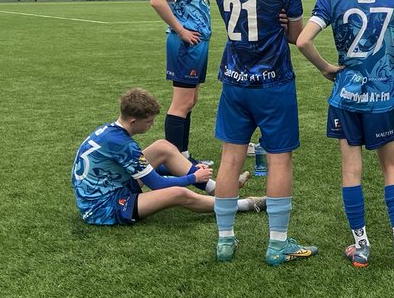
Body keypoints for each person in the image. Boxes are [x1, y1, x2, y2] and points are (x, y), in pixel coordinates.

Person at [296, 0, 394, 268]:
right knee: (391, 167)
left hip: (347, 97)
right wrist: (386, 43)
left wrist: (326, 67)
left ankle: (362, 247)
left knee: (351, 171)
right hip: (383, 97)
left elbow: (302, 40)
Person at [210, 0, 316, 266]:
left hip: (235, 80)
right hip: (273, 81)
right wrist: (284, 21)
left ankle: (225, 240)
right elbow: (295, 36)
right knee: (279, 159)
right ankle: (277, 244)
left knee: (230, 157)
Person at [72, 87, 259, 226]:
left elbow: (150, 168)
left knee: (163, 147)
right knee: (179, 193)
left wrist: (190, 168)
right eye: (149, 121)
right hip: (103, 207)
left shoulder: (111, 131)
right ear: (133, 121)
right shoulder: (123, 145)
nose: (151, 125)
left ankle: (217, 189)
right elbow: (157, 184)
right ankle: (245, 204)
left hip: (113, 185)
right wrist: (192, 177)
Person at [148, 0, 212, 160]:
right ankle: (172, 161)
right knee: (181, 103)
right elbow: (157, 0)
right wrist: (181, 30)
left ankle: (182, 156)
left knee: (190, 100)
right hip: (186, 44)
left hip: (196, 43)